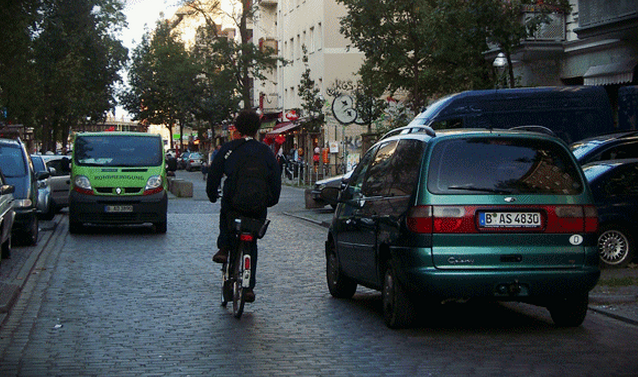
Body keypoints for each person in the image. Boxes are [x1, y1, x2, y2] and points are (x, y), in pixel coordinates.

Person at [206, 109, 281, 302]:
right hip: (257, 205)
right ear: (257, 129)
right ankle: (248, 288)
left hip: (234, 201)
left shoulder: (230, 149)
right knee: (251, 242)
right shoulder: (265, 151)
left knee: (226, 217)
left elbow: (214, 172)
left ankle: (223, 248)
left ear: (238, 128)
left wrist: (212, 194)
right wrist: (272, 199)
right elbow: (275, 177)